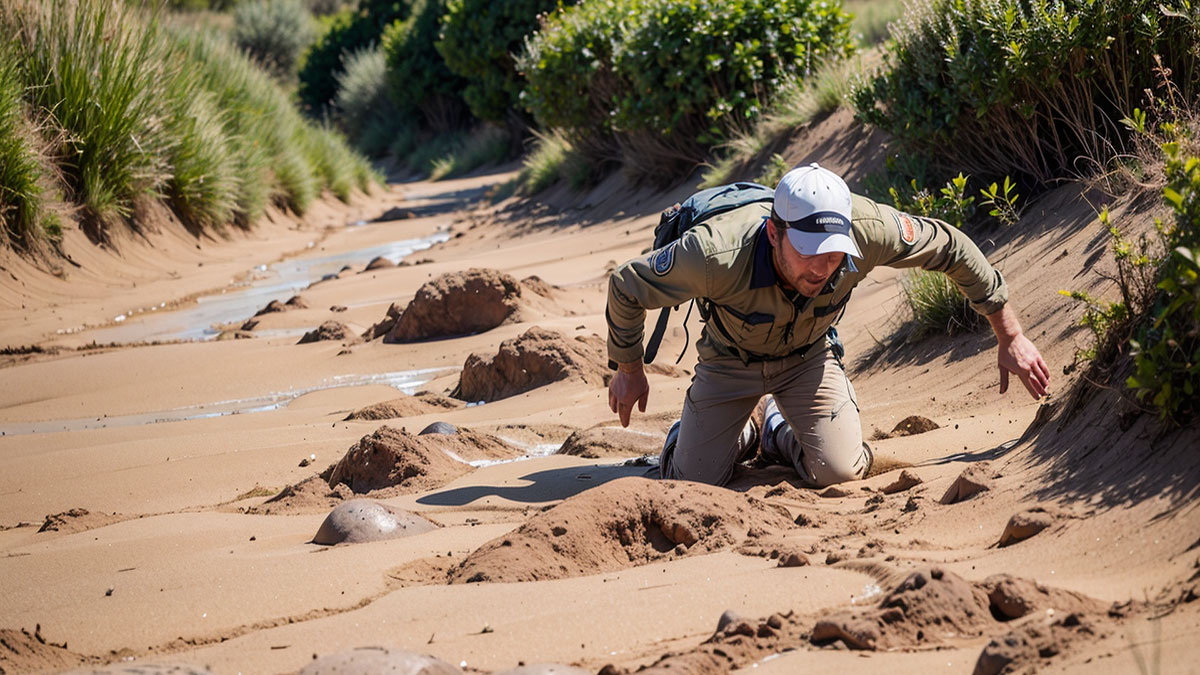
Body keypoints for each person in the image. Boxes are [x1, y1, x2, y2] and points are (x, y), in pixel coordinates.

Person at [605, 163, 1050, 488]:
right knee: (692, 484)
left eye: (833, 252)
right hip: (729, 363)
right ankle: (739, 430)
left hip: (808, 359)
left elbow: (950, 246)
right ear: (774, 233)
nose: (822, 268)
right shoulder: (713, 255)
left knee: (839, 473)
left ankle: (777, 425)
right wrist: (629, 370)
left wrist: (1009, 334)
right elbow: (626, 287)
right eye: (808, 251)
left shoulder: (868, 229)